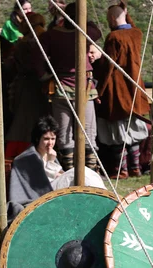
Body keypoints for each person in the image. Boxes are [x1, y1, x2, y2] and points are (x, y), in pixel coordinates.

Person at [34, 2, 102, 171]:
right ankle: (89, 174)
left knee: (65, 135)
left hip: (63, 87)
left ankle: (73, 173)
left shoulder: (51, 34)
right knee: (88, 133)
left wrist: (43, 75)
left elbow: (36, 55)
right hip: (80, 87)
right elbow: (97, 30)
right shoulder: (87, 31)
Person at [94, 4, 149, 178]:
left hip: (118, 92)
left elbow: (108, 67)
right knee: (132, 131)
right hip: (134, 89)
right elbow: (129, 23)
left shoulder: (114, 37)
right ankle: (135, 168)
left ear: (110, 19)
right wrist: (123, 9)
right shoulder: (137, 33)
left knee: (119, 134)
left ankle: (122, 170)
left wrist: (99, 91)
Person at [9, 115, 104, 211]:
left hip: (52, 189)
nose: (50, 143)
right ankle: (103, 201)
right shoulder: (28, 157)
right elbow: (40, 184)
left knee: (85, 172)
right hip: (42, 194)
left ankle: (104, 197)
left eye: (53, 139)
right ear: (38, 139)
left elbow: (59, 175)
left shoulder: (49, 153)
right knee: (78, 173)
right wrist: (51, 162)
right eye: (46, 139)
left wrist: (53, 164)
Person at [4, 12, 48, 158]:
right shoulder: (38, 40)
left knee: (24, 124)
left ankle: (22, 154)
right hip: (36, 85)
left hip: (30, 86)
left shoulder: (25, 43)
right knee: (28, 123)